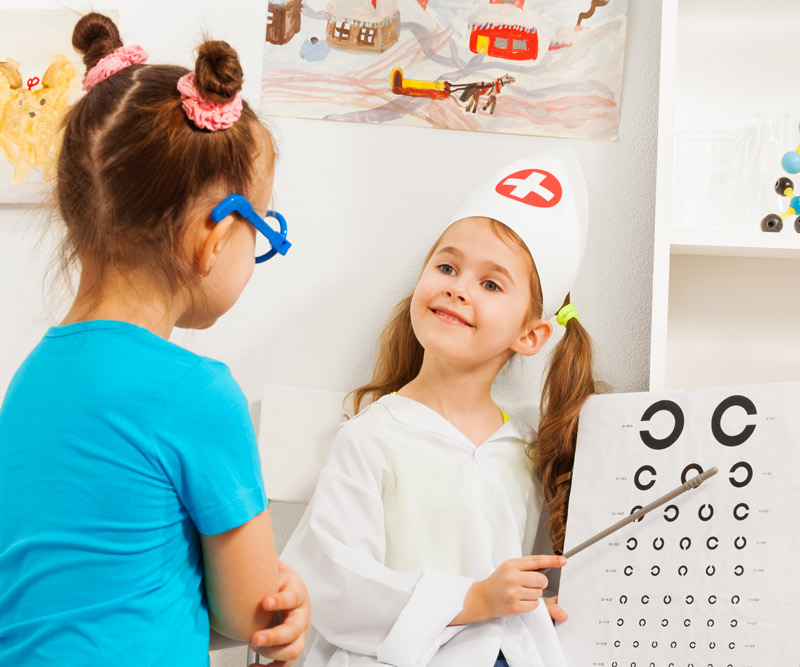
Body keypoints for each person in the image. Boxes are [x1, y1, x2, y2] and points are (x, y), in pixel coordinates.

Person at [0, 13, 308, 667]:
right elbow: (250, 610)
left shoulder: (29, 382)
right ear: (212, 237)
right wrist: (288, 599)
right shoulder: (197, 393)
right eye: (263, 228)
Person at [281, 150, 597, 667]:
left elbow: (526, 580)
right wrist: (471, 600)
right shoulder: (372, 438)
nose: (457, 286)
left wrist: (535, 607)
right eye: (447, 266)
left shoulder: (523, 451)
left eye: (491, 284)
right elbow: (333, 583)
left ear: (531, 334)